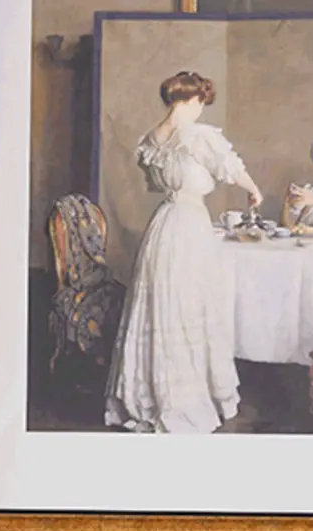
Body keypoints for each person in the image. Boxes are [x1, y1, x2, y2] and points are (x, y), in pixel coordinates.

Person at [104, 71, 262, 434]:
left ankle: (149, 394)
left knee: (161, 305)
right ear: (192, 101)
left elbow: (154, 183)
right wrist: (253, 190)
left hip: (163, 226)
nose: (201, 109)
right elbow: (230, 167)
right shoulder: (196, 135)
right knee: (187, 304)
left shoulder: (150, 141)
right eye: (201, 102)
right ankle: (182, 400)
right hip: (188, 226)